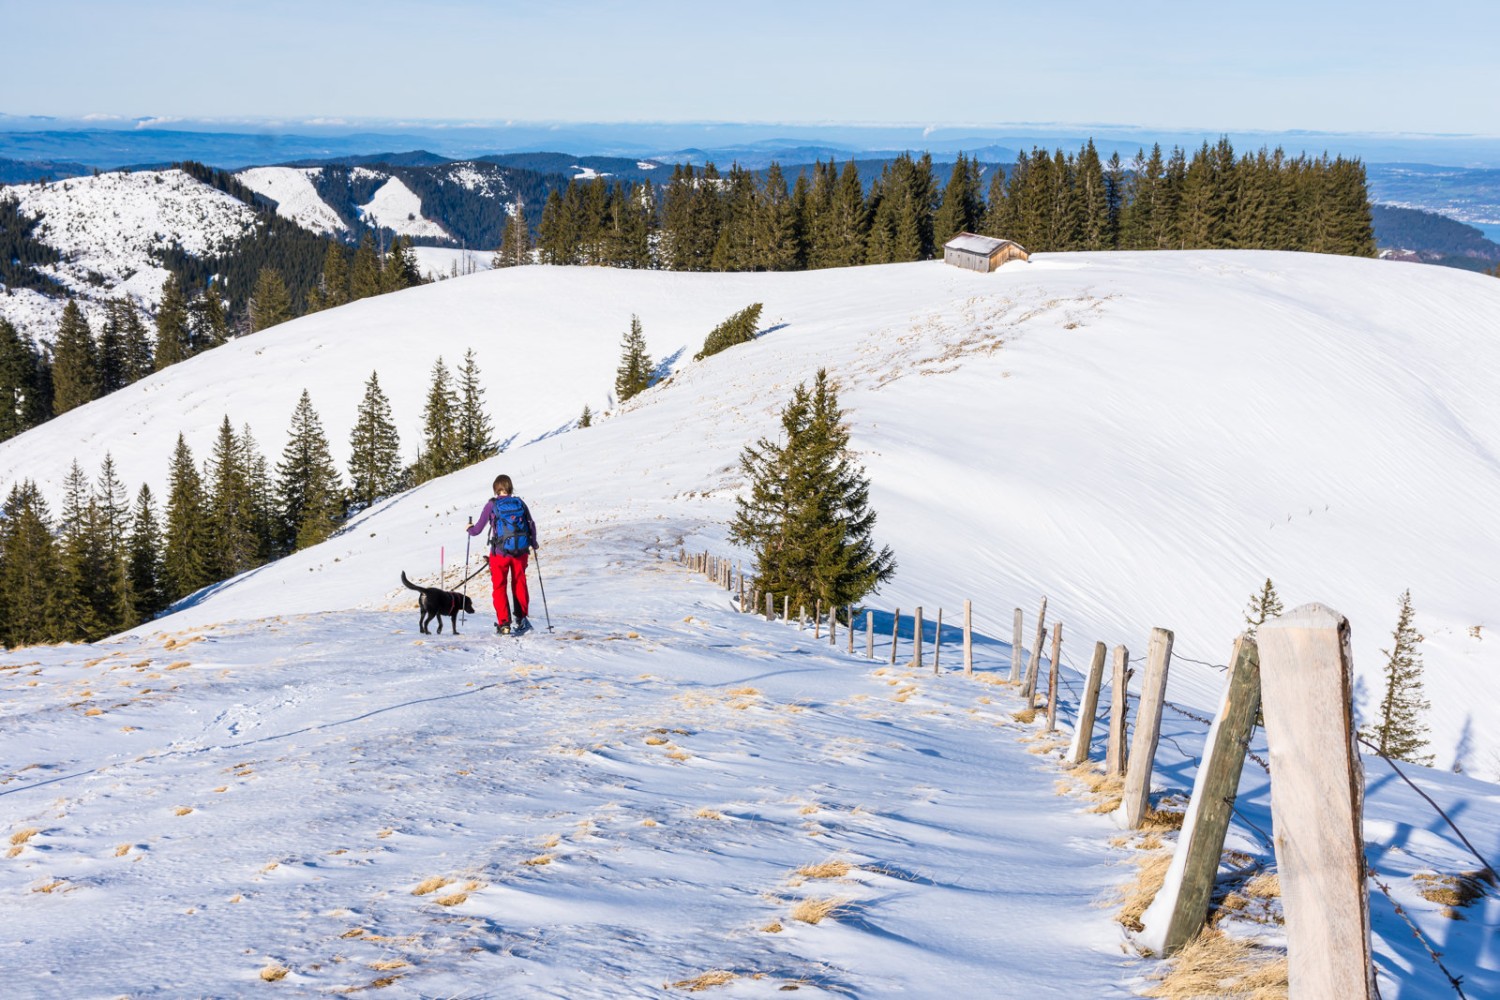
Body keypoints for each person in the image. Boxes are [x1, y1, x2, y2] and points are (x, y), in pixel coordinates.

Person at [467, 474, 538, 635]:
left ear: (496, 490)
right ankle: (522, 619)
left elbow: (477, 530)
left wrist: (469, 529)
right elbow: (531, 525)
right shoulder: (520, 503)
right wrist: (533, 544)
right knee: (519, 583)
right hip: (520, 552)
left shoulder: (492, 505)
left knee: (499, 586)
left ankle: (504, 624)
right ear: (510, 488)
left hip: (499, 553)